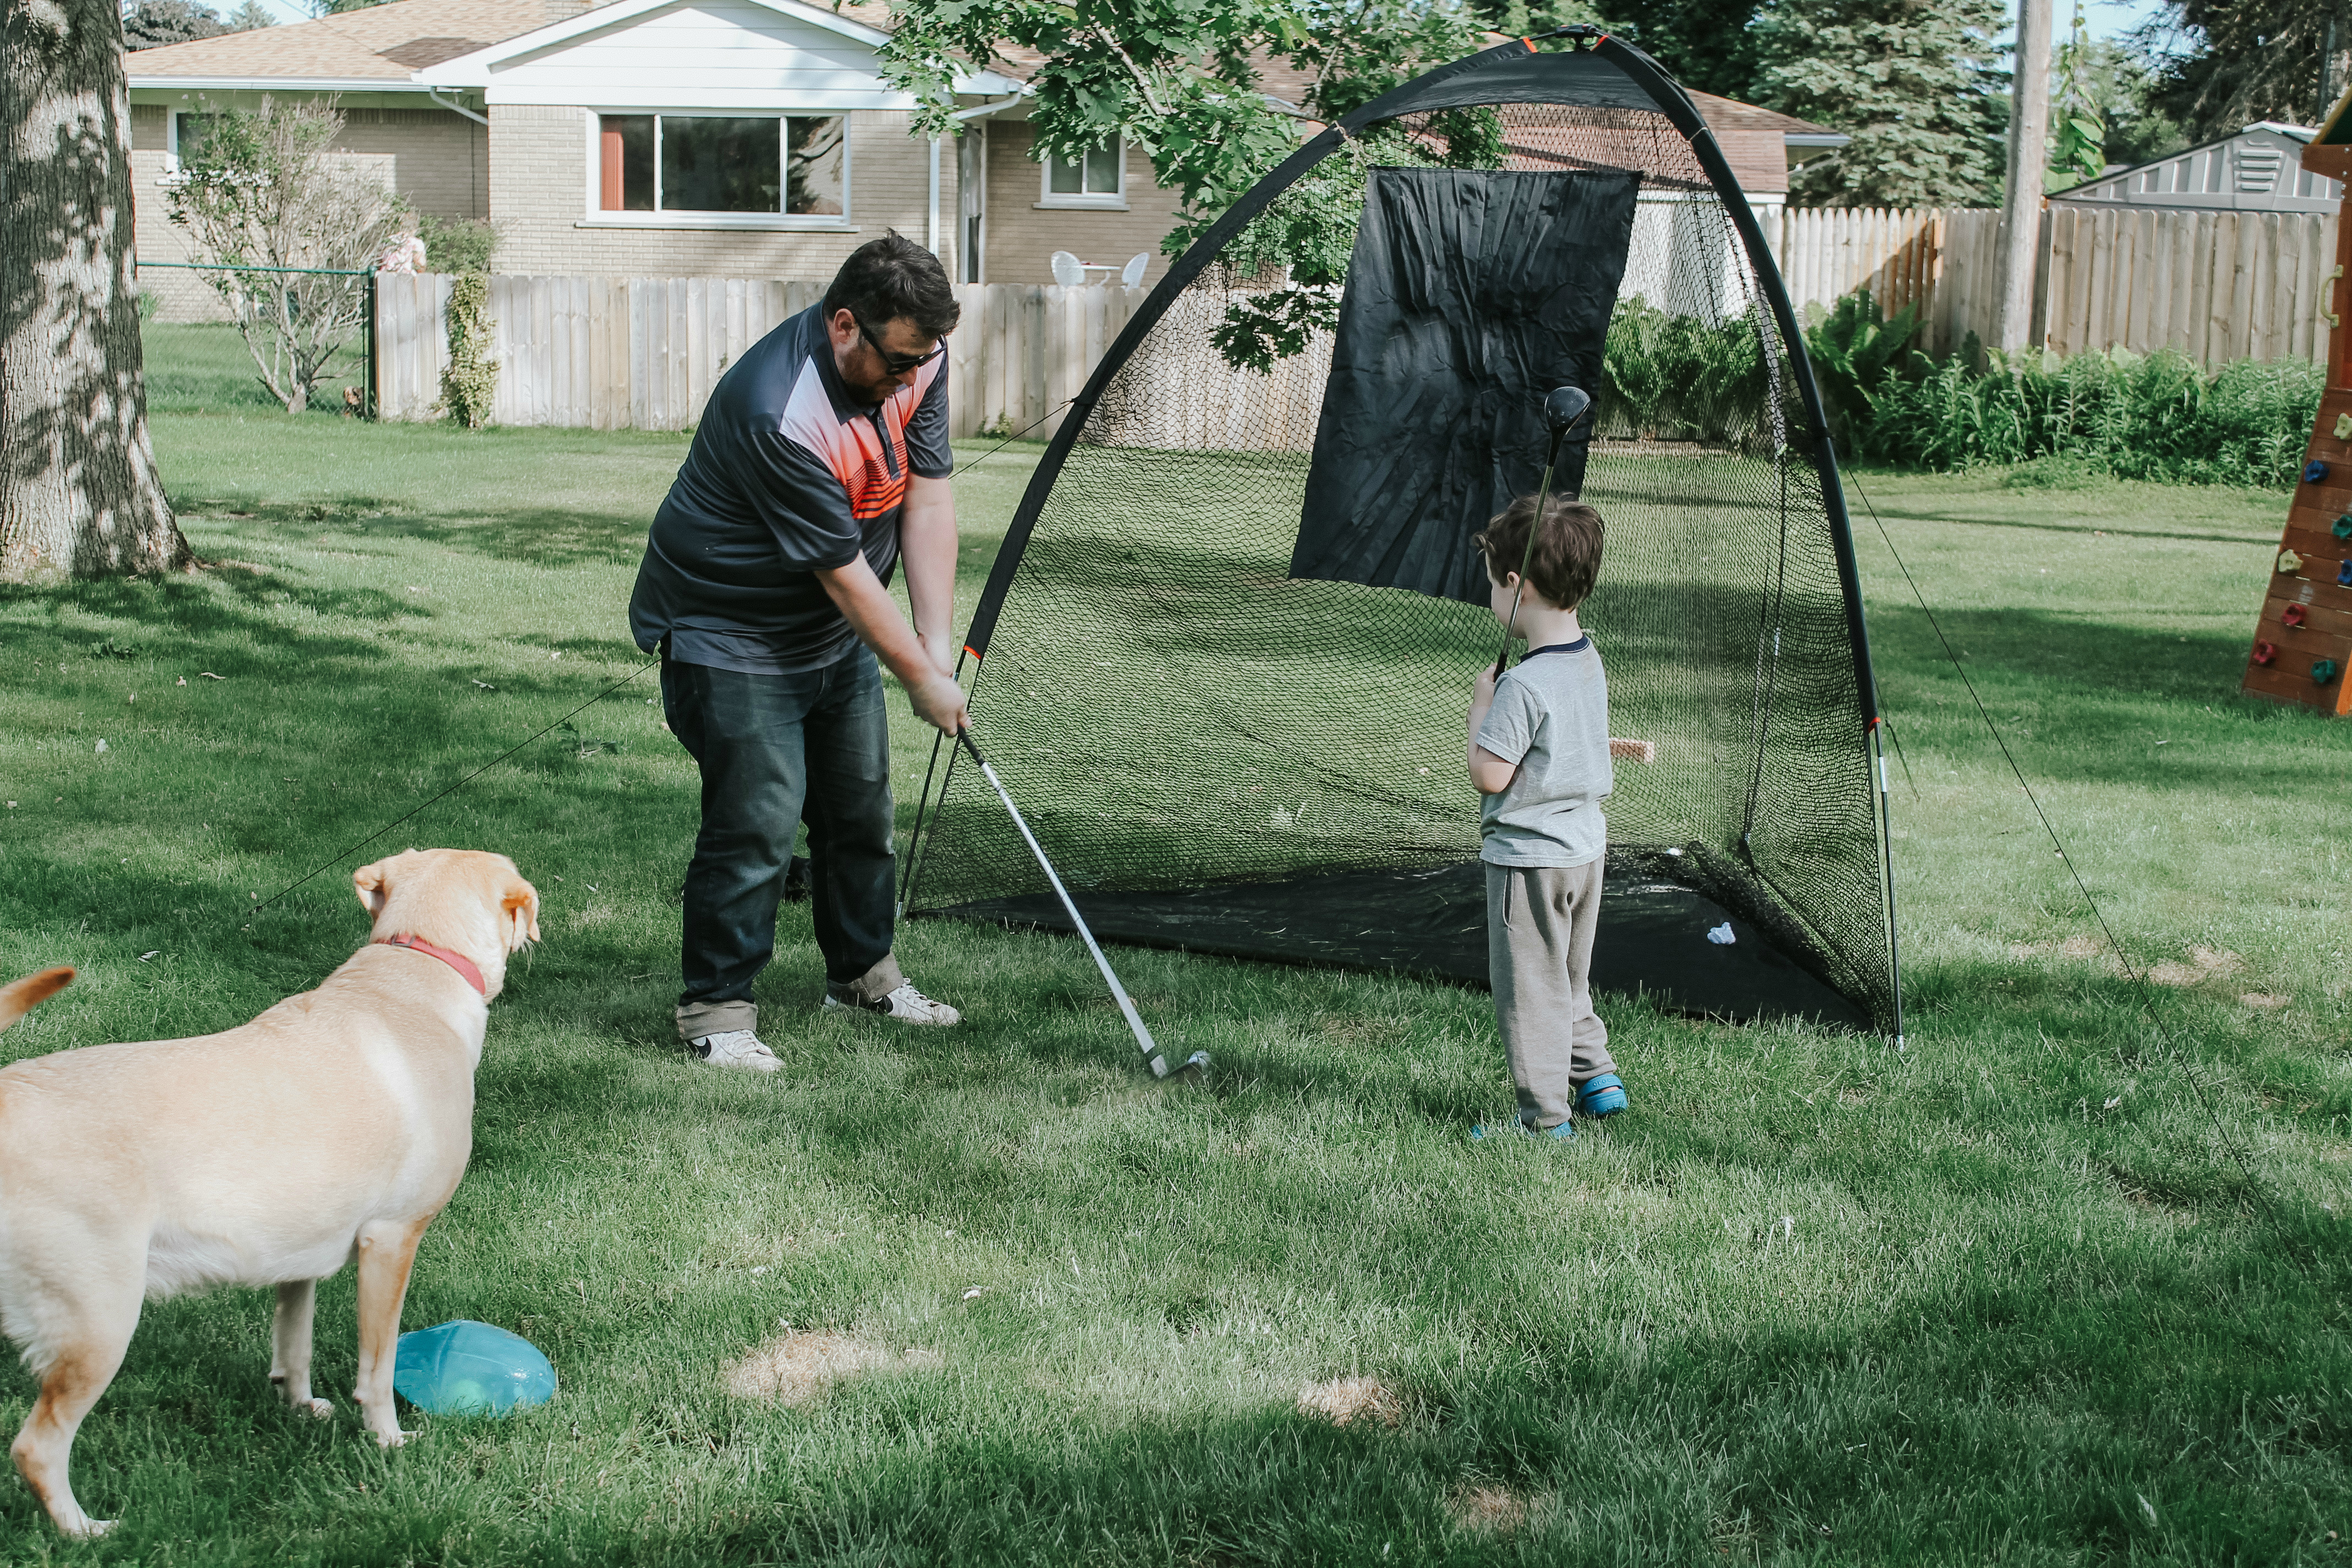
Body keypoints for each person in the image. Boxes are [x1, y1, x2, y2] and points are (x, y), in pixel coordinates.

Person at [628, 234, 971, 1072]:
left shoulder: (918, 358)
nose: (909, 378)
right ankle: (716, 1010)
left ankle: (864, 976)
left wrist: (934, 646)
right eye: (895, 362)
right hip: (729, 629)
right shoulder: (778, 409)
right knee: (759, 818)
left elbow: (927, 502)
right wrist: (920, 681)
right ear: (845, 326)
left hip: (830, 630)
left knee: (860, 807)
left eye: (920, 361)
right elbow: (847, 576)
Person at [1464, 494, 1628, 1138]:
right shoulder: (1588, 659)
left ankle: (1544, 1119)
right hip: (1586, 853)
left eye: (1493, 588)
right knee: (1568, 975)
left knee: (1532, 991)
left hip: (1529, 864)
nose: (1492, 603)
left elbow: (1490, 774)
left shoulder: (1521, 686)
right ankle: (1598, 1077)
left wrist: (1482, 706)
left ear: (1516, 585)